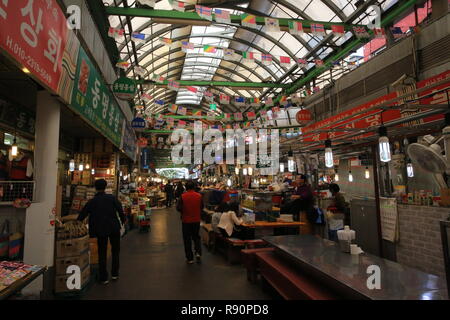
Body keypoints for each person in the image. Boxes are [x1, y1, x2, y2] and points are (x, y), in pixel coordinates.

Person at [78, 179, 125, 284]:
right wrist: (122, 222)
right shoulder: (112, 198)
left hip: (100, 229)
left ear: (95, 188)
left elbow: (82, 215)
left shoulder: (92, 201)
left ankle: (103, 277)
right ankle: (115, 274)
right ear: (105, 187)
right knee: (116, 251)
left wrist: (77, 223)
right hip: (114, 227)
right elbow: (120, 211)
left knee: (102, 252)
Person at [177, 181, 203, 264]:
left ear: (186, 187)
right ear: (194, 187)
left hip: (186, 220)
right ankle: (198, 252)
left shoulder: (183, 196)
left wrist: (184, 211)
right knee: (196, 237)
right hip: (196, 220)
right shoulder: (199, 196)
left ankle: (190, 258)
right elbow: (202, 207)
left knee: (187, 239)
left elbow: (178, 208)